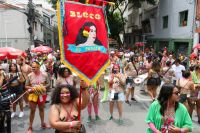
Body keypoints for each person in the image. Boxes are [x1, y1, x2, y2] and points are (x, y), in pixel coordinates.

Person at [25, 61, 50, 133]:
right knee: (32, 111)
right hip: (33, 95)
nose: (33, 68)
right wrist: (32, 88)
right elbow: (26, 86)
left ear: (39, 67)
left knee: (41, 109)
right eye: (32, 67)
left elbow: (48, 84)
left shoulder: (45, 74)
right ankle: (30, 126)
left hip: (42, 95)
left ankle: (43, 123)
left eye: (35, 67)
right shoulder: (29, 75)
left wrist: (42, 87)